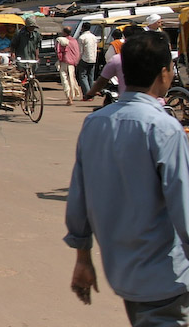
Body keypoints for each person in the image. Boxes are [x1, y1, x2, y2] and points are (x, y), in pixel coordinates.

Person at [64, 32, 189, 324]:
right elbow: (184, 207)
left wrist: (82, 259)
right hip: (165, 278)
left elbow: (78, 198)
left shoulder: (95, 123)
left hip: (123, 273)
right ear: (163, 73)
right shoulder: (164, 128)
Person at [56, 26, 82, 105]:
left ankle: (68, 97)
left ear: (64, 32)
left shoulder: (61, 40)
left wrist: (60, 59)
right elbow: (77, 52)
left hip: (64, 62)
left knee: (65, 81)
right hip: (72, 63)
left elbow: (58, 52)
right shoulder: (74, 41)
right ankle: (72, 96)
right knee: (72, 80)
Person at [76, 22, 98, 96]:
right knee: (91, 77)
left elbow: (80, 51)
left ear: (83, 28)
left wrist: (77, 60)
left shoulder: (82, 37)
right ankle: (92, 93)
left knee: (83, 76)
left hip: (84, 59)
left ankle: (87, 94)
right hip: (93, 59)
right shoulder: (94, 37)